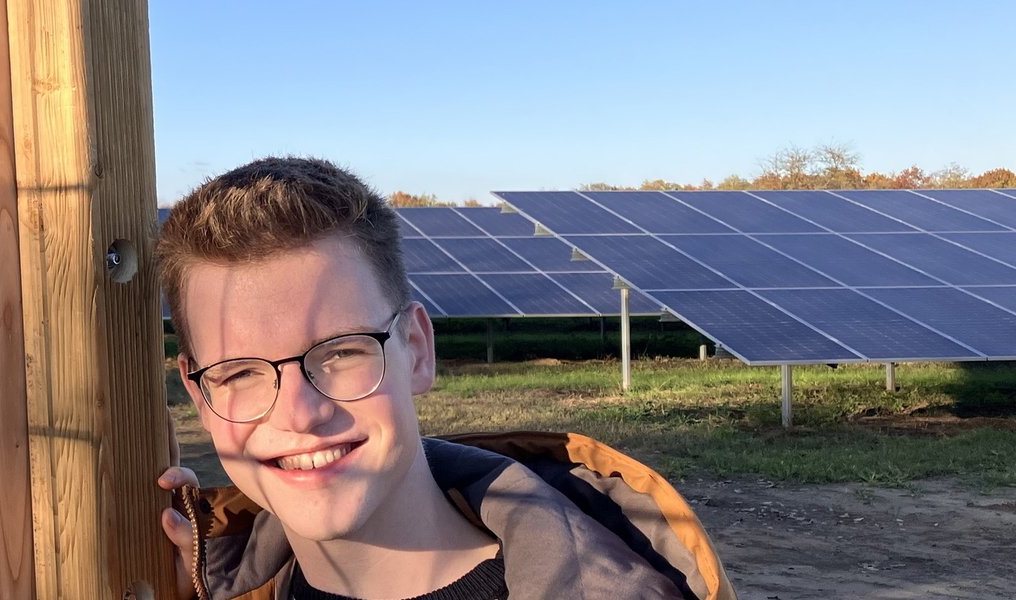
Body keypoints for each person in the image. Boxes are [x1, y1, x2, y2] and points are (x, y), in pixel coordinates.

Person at [154, 158, 733, 600]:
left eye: (339, 353)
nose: (301, 414)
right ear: (199, 393)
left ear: (416, 350)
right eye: (241, 373)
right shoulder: (204, 582)